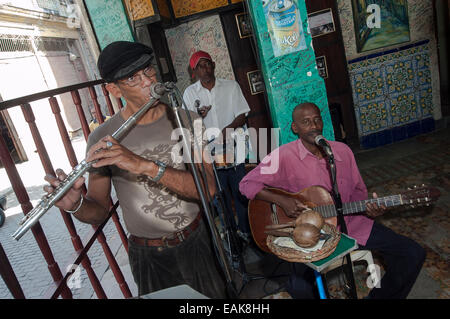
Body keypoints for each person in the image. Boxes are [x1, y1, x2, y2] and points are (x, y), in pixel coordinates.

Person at [43, 41, 226, 298]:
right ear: (113, 89)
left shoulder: (188, 120)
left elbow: (208, 189)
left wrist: (144, 165)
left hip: (197, 241)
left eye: (149, 71)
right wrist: (76, 205)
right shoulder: (103, 138)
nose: (147, 82)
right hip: (149, 255)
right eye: (133, 78)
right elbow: (98, 210)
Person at [239, 102, 425, 299]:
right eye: (306, 122)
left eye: (317, 119)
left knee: (412, 253)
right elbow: (246, 184)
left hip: (352, 225)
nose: (313, 125)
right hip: (308, 236)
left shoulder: (342, 151)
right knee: (300, 288)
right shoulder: (283, 156)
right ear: (295, 128)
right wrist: (282, 201)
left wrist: (369, 210)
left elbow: (358, 194)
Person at [183, 50, 252, 242]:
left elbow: (242, 115)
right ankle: (231, 237)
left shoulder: (231, 87)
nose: (205, 69)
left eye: (207, 64)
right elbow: (189, 124)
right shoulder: (190, 94)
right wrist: (199, 116)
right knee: (219, 197)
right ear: (193, 72)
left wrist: (227, 130)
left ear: (213, 65)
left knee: (241, 193)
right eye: (199, 67)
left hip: (235, 149)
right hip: (210, 154)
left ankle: (246, 232)